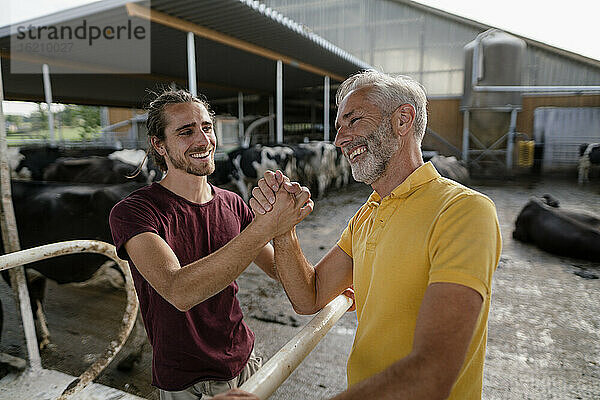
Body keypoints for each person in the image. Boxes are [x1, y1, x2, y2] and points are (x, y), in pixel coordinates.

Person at [230, 70, 502, 399]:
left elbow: (433, 373)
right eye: (338, 128)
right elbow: (310, 296)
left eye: (353, 120)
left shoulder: (462, 211)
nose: (340, 140)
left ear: (403, 120)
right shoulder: (366, 215)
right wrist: (283, 229)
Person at [108, 89, 313, 400]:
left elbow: (282, 272)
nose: (203, 140)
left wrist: (285, 229)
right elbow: (179, 291)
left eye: (206, 127)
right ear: (158, 144)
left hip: (243, 364)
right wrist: (266, 226)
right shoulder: (134, 212)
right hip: (185, 382)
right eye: (186, 132)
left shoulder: (232, 203)